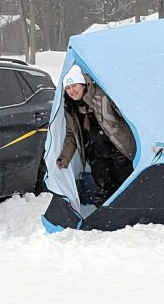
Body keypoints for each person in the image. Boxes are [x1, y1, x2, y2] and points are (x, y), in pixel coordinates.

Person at [56, 64, 136, 207]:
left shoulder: (101, 96)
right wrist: (65, 157)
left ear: (83, 84)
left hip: (118, 149)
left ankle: (128, 216)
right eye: (68, 88)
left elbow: (126, 117)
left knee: (125, 187)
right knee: (103, 189)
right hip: (95, 153)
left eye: (74, 86)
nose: (72, 91)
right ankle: (106, 219)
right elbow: (71, 135)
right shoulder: (70, 108)